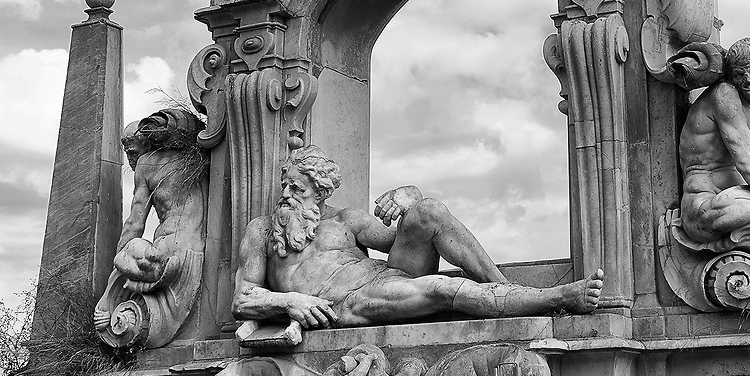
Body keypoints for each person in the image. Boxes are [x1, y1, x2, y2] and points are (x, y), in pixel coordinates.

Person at [232, 140, 626, 337]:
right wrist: (291, 301)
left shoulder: (345, 220)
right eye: (286, 185)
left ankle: (506, 293)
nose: (286, 195)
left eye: (297, 189)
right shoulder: (262, 231)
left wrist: (410, 196)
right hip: (350, 303)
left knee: (429, 211)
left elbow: (398, 236)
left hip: (385, 276)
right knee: (441, 287)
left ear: (319, 193)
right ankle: (552, 299)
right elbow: (243, 298)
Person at [94, 107, 211, 351]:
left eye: (132, 147)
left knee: (127, 252)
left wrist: (116, 263)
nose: (130, 155)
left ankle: (105, 308)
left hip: (166, 254)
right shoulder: (200, 156)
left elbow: (134, 225)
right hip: (199, 252)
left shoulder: (147, 165)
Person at [677, 38, 750, 239]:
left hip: (732, 198)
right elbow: (747, 163)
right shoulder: (725, 94)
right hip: (702, 208)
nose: (747, 78)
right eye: (739, 74)